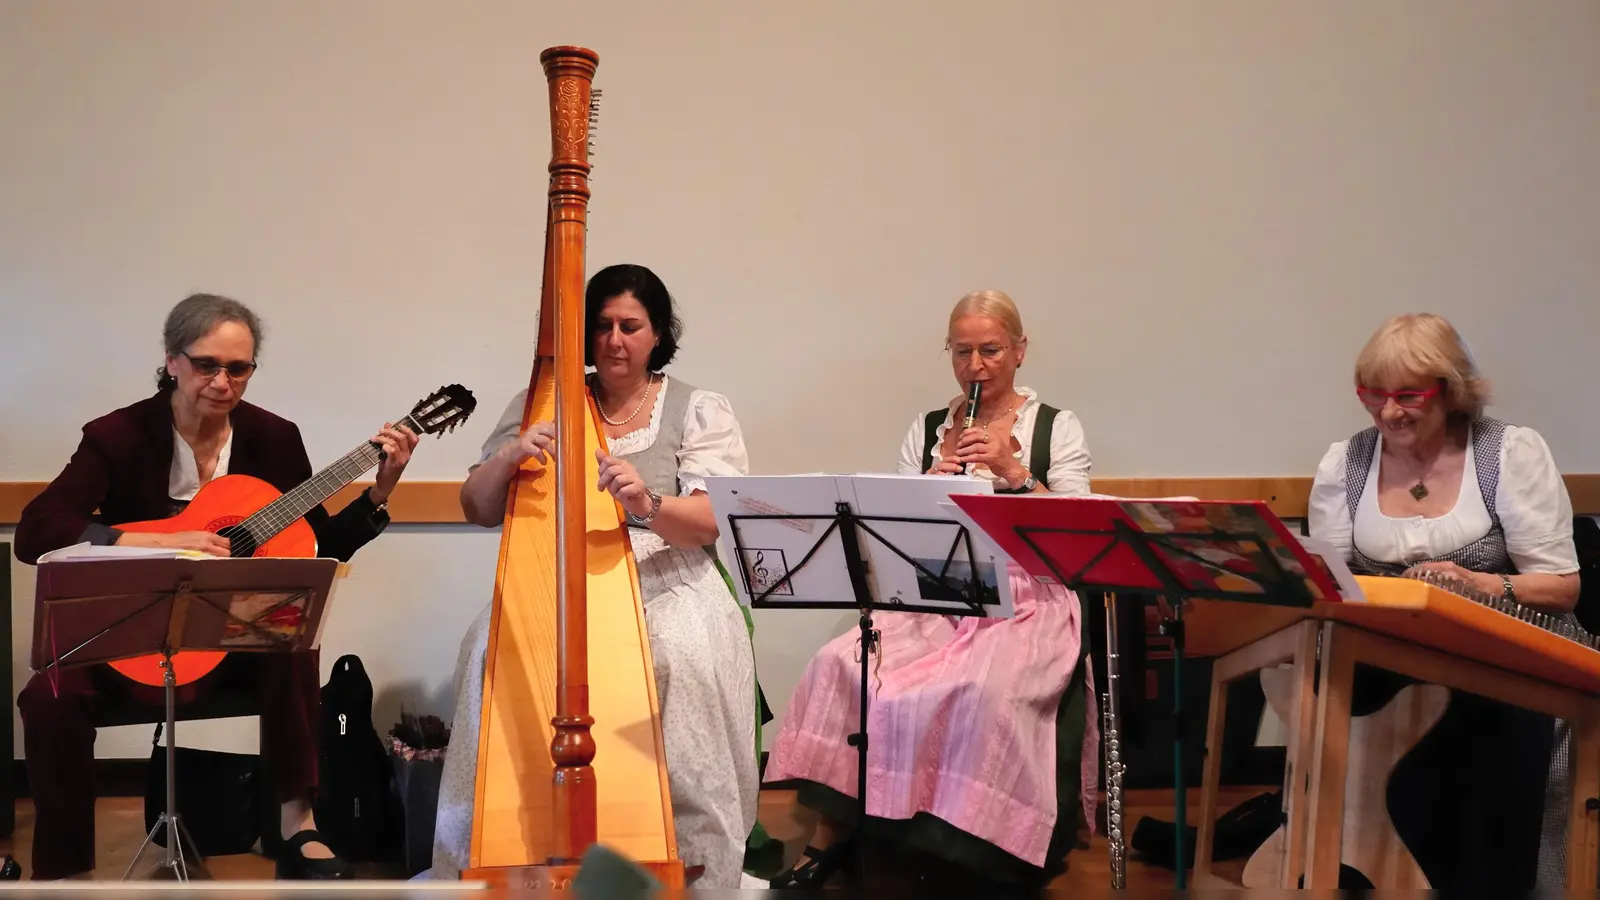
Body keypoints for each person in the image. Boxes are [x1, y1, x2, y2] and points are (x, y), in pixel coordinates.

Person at [13, 293, 419, 881]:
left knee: (292, 640)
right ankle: (65, 869)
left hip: (228, 640)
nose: (223, 382)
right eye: (207, 365)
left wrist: (379, 492)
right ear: (172, 360)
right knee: (48, 699)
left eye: (239, 368)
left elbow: (315, 547)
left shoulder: (274, 438)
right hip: (132, 640)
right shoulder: (117, 436)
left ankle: (296, 827)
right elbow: (36, 532)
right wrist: (146, 541)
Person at [428, 263, 759, 888]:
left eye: (630, 326)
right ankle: (500, 854)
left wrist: (647, 504)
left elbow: (711, 520)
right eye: (602, 326)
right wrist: (509, 456)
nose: (614, 340)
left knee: (677, 657)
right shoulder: (543, 402)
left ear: (657, 333)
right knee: (484, 654)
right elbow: (477, 508)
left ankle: (691, 865)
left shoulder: (696, 408)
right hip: (559, 581)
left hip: (668, 575)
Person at [761, 289, 1100, 893]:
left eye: (991, 350)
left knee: (986, 690)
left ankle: (977, 848)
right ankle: (837, 834)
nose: (977, 366)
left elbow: (1075, 532)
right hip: (938, 588)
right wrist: (927, 487)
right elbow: (892, 529)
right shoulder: (924, 430)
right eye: (963, 351)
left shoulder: (1055, 426)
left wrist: (1015, 474)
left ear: (1020, 351)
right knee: (844, 664)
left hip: (1027, 595)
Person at [1307, 312, 1582, 889]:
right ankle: (1353, 866)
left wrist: (1482, 583)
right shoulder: (1345, 463)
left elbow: (1561, 587)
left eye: (1407, 395)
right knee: (1327, 690)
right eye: (1372, 395)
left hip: (1515, 655)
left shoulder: (1509, 453)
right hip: (1397, 655)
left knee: (1489, 723)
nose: (1388, 412)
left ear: (1451, 391)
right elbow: (1327, 584)